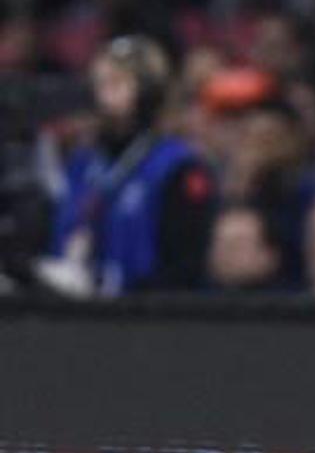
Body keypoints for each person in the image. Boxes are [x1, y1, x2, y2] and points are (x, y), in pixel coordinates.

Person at [45, 35, 215, 294]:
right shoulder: (82, 163)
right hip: (72, 302)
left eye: (116, 82)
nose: (102, 94)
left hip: (145, 309)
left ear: (149, 92)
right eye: (98, 83)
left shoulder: (177, 165)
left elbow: (185, 265)